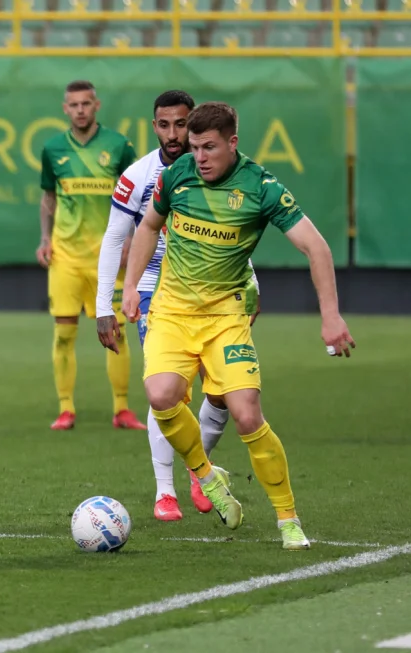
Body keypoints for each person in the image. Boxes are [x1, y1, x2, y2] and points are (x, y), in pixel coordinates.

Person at [122, 101, 356, 550]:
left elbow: (318, 248)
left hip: (226, 317)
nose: (200, 157)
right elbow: (148, 226)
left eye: (209, 147)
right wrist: (131, 285)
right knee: (160, 395)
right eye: (194, 148)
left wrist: (330, 316)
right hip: (171, 311)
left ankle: (288, 520)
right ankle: (207, 478)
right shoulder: (175, 176)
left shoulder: (262, 187)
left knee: (247, 414)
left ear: (233, 142)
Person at [96, 90, 261, 522]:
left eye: (181, 125)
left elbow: (235, 235)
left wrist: (252, 284)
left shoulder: (219, 173)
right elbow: (115, 238)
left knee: (222, 392)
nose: (174, 134)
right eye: (164, 125)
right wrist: (106, 303)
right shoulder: (138, 176)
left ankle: (199, 470)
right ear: (154, 127)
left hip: (218, 293)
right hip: (157, 290)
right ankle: (164, 492)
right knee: (163, 391)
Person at [37, 80, 143, 431]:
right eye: (74, 105)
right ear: (65, 109)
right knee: (64, 334)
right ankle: (66, 408)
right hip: (66, 256)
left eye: (86, 103)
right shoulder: (53, 149)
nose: (80, 109)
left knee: (118, 332)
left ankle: (122, 409)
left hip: (108, 257)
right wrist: (45, 238)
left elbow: (137, 197)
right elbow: (49, 198)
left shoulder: (119, 147)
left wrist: (131, 239)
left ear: (96, 105)